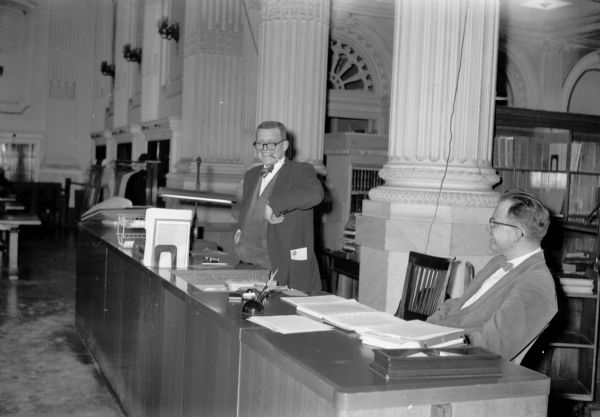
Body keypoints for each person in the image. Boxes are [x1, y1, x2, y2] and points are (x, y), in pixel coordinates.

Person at [427, 190, 558, 361]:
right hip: (440, 342)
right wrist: (427, 328)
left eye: (494, 222)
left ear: (517, 234)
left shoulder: (536, 283)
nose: (488, 228)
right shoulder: (498, 262)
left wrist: (433, 347)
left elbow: (491, 347)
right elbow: (460, 304)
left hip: (460, 361)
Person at [234, 121, 324, 294]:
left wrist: (274, 205)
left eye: (272, 143)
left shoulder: (301, 171)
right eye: (260, 143)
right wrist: (239, 235)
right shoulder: (252, 175)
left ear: (284, 145)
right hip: (250, 269)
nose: (265, 148)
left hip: (285, 271)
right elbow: (248, 213)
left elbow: (315, 194)